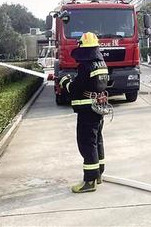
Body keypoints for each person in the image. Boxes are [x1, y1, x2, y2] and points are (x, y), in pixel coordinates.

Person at [58, 32, 109, 193]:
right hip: (98, 108)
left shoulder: (86, 66)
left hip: (87, 110)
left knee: (87, 144)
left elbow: (76, 88)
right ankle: (98, 174)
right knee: (97, 141)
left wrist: (65, 81)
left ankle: (89, 181)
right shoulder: (101, 63)